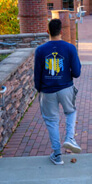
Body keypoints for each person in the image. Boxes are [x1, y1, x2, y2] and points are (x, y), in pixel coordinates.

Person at [34, 19, 82, 165]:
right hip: (66, 88)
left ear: (48, 32)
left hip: (47, 91)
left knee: (52, 121)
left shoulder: (40, 50)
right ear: (61, 32)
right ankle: (70, 138)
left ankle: (57, 155)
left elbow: (37, 74)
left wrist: (39, 90)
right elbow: (77, 73)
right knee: (71, 112)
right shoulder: (70, 48)